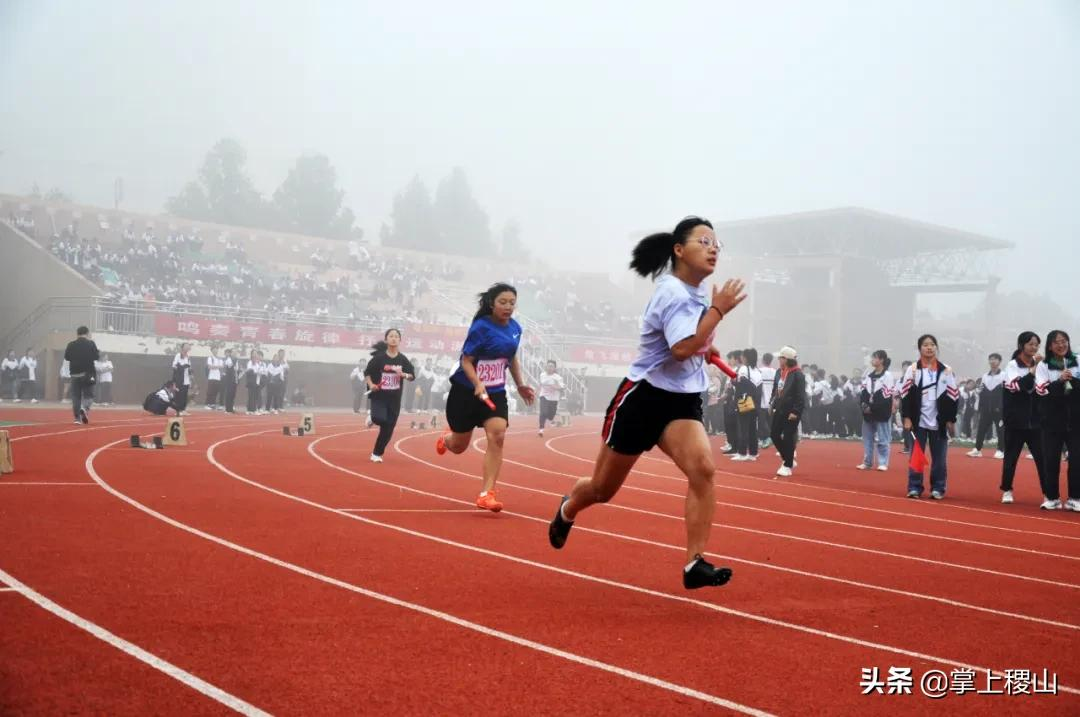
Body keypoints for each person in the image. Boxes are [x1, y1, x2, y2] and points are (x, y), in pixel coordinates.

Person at [547, 216, 746, 589]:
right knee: (602, 491)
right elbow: (681, 346)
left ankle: (694, 563)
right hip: (643, 398)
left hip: (681, 401)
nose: (713, 248)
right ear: (678, 250)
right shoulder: (672, 292)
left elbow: (692, 342)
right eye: (704, 241)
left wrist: (706, 343)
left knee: (703, 469)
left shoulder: (696, 293)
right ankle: (568, 508)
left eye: (717, 243)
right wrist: (717, 313)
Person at [436, 283, 536, 511]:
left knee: (498, 435)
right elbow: (466, 361)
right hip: (466, 391)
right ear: (492, 304)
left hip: (496, 392)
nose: (508, 307)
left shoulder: (515, 329)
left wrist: (520, 385)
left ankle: (486, 494)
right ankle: (446, 439)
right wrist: (478, 383)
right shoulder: (481, 327)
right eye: (503, 302)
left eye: (512, 302)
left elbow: (511, 358)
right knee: (460, 446)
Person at [899, 334, 959, 499]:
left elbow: (953, 397)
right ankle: (914, 487)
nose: (929, 347)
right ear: (920, 349)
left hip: (939, 421)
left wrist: (950, 420)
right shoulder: (913, 370)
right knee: (916, 455)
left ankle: (938, 488)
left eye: (932, 344)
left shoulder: (946, 370)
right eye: (925, 345)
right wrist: (907, 417)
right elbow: (905, 396)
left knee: (939, 458)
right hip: (918, 420)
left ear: (936, 348)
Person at [1000, 331, 1048, 506]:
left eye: (1036, 344)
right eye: (1030, 344)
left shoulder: (1042, 365)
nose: (1034, 347)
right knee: (1011, 458)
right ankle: (1007, 490)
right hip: (1015, 422)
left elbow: (1044, 388)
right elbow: (1017, 387)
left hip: (1036, 422)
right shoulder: (1013, 365)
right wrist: (1033, 371)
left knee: (1043, 459)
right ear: (1021, 346)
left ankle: (1048, 493)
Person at [1036, 330, 1079, 511]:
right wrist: (1060, 381)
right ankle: (1052, 497)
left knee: (1077, 460)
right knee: (1051, 460)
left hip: (1076, 420)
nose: (1061, 345)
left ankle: (1075, 498)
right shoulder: (1044, 365)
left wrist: (1074, 380)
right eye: (1057, 342)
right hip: (1052, 421)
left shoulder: (1077, 361)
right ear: (1050, 346)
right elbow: (1041, 390)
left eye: (1064, 341)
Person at [365, 329, 415, 462]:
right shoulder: (379, 358)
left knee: (388, 427)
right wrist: (371, 384)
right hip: (379, 396)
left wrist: (403, 375)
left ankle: (376, 454)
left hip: (394, 399)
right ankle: (372, 417)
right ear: (386, 339)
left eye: (396, 336)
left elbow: (412, 376)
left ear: (400, 340)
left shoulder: (402, 359)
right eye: (391, 336)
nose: (394, 338)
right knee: (378, 418)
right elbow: (367, 373)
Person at [856, 350, 896, 472]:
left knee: (883, 438)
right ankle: (867, 462)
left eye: (875, 358)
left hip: (881, 411)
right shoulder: (869, 375)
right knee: (867, 438)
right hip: (868, 412)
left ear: (881, 360)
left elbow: (886, 396)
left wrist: (872, 407)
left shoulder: (887, 376)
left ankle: (883, 462)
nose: (872, 360)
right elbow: (863, 392)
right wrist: (864, 405)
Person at [770, 346, 805, 477]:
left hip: (791, 411)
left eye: (781, 358)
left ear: (787, 359)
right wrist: (771, 403)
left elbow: (800, 396)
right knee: (774, 434)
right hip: (779, 408)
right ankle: (788, 459)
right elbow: (776, 390)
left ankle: (787, 465)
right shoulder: (779, 372)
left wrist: (795, 411)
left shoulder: (798, 374)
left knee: (789, 437)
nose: (779, 360)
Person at [969, 353, 1005, 459]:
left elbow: (1006, 393)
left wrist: (1002, 406)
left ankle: (1000, 450)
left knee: (1000, 430)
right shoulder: (985, 376)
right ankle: (977, 449)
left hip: (999, 409)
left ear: (999, 361)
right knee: (981, 429)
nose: (992, 361)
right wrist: (980, 406)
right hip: (986, 409)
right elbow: (982, 392)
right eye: (991, 359)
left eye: (995, 359)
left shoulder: (1004, 375)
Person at [63, 326, 100, 424]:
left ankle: (77, 419)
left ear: (77, 333)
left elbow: (67, 357)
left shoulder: (71, 344)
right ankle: (84, 408)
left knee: (76, 397)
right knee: (89, 395)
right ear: (87, 333)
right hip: (88, 373)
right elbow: (96, 357)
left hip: (74, 374)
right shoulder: (91, 343)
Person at [731, 348, 762, 462]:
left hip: (745, 402)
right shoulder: (758, 371)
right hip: (755, 403)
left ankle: (742, 453)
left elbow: (736, 382)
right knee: (753, 429)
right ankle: (753, 453)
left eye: (743, 356)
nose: (741, 358)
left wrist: (733, 380)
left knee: (743, 427)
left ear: (746, 358)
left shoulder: (743, 369)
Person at [537, 359, 565, 436]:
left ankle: (552, 420)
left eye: (551, 366)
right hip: (544, 396)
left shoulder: (558, 378)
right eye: (548, 366)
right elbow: (540, 384)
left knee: (551, 415)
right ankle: (541, 429)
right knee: (543, 412)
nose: (549, 367)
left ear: (555, 368)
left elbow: (562, 388)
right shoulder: (542, 375)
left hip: (553, 399)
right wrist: (536, 391)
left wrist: (556, 387)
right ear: (546, 367)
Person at [171, 343, 193, 415]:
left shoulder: (188, 357)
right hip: (180, 378)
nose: (188, 347)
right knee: (179, 395)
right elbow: (174, 366)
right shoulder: (178, 355)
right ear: (182, 347)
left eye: (188, 346)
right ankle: (178, 410)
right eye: (186, 346)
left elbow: (190, 368)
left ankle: (183, 409)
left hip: (186, 379)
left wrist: (191, 376)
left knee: (184, 395)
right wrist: (182, 367)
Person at [222, 348, 238, 413]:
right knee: (229, 394)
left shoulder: (236, 360)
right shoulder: (229, 359)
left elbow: (236, 369)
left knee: (233, 394)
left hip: (235, 379)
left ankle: (231, 408)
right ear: (231, 353)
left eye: (235, 352)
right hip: (229, 379)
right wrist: (234, 361)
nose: (235, 353)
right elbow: (230, 366)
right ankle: (227, 409)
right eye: (233, 352)